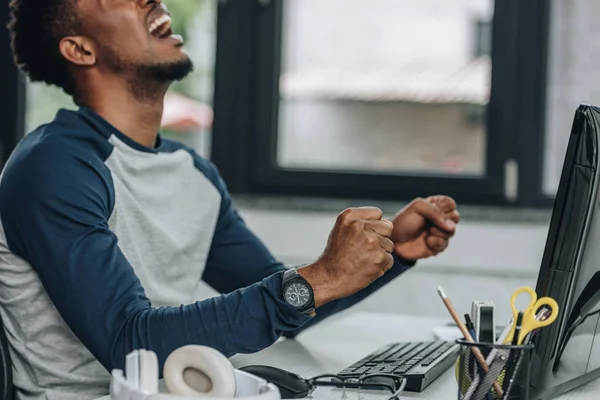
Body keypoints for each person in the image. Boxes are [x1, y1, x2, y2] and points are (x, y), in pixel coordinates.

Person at [0, 1, 460, 399]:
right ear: (80, 49)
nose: (149, 0)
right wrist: (319, 278)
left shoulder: (191, 172)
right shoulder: (54, 167)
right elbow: (130, 342)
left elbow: (289, 300)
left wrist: (391, 251)